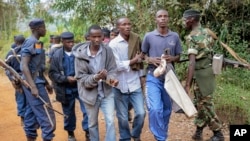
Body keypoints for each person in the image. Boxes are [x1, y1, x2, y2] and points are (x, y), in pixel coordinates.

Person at [183, 9, 224, 141]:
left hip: (201, 75)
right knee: (200, 102)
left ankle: (218, 133)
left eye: (185, 19)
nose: (184, 22)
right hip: (209, 72)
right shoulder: (208, 32)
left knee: (206, 104)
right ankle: (199, 131)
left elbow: (192, 62)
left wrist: (187, 84)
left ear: (191, 20)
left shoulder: (192, 37)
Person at [141, 9, 182, 141]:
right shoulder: (149, 36)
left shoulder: (174, 36)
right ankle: (161, 137)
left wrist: (172, 58)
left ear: (168, 19)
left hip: (169, 77)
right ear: (156, 19)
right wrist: (151, 59)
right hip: (153, 75)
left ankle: (161, 134)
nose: (163, 18)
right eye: (160, 16)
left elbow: (179, 57)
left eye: (165, 16)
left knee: (166, 109)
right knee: (154, 109)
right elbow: (143, 56)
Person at [73, 25, 118, 141]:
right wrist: (96, 77)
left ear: (103, 37)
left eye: (99, 36)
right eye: (94, 37)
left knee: (110, 121)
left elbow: (113, 69)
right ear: (88, 37)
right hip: (89, 95)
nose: (97, 39)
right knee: (92, 124)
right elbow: (81, 78)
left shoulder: (107, 51)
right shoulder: (80, 55)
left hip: (106, 93)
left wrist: (111, 78)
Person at [109, 17, 145, 141]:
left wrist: (142, 77)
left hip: (135, 83)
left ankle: (135, 135)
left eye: (129, 24)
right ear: (118, 27)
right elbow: (116, 66)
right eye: (124, 24)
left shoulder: (136, 39)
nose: (128, 26)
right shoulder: (113, 44)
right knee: (122, 117)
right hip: (119, 85)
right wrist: (134, 60)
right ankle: (125, 138)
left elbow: (141, 62)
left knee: (141, 113)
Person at [48, 32, 89, 141]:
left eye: (72, 41)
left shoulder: (80, 53)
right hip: (65, 89)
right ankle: (70, 133)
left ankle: (88, 132)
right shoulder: (57, 55)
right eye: (68, 42)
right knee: (68, 113)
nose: (71, 44)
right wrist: (66, 78)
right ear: (62, 42)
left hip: (81, 87)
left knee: (87, 110)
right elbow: (52, 74)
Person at [20, 18, 56, 141]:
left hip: (37, 81)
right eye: (43, 27)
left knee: (31, 114)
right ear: (37, 29)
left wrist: (46, 83)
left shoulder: (37, 43)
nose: (45, 29)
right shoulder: (31, 42)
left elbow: (36, 67)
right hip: (33, 84)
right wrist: (34, 86)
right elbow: (24, 65)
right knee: (47, 116)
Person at [5, 35, 26, 126]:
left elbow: (6, 68)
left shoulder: (9, 53)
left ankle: (23, 119)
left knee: (20, 97)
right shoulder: (26, 52)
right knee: (30, 97)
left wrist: (12, 79)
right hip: (28, 78)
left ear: (15, 42)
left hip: (17, 79)